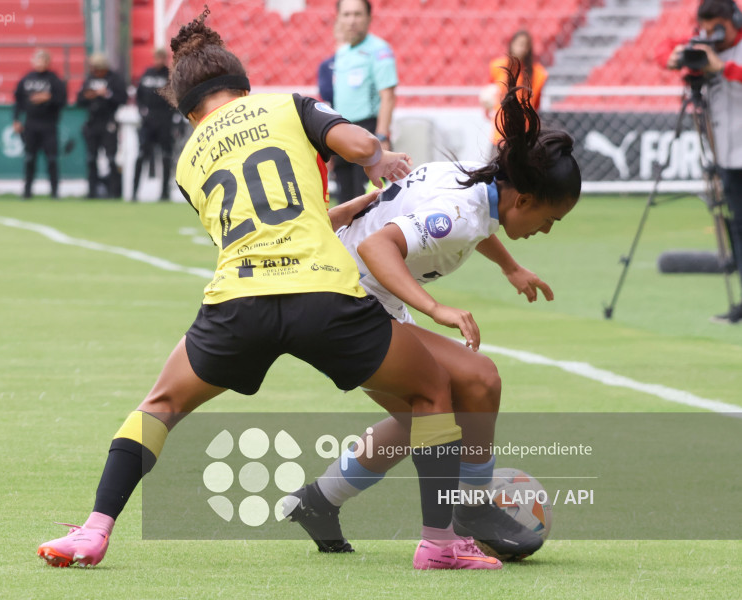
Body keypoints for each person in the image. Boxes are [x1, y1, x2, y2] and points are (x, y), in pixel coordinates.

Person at [36, 8, 502, 572]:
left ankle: (93, 531)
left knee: (160, 405)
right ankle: (440, 544)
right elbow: (354, 145)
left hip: (239, 303)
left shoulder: (189, 159)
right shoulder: (288, 104)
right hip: (325, 298)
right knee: (431, 393)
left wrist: (336, 211)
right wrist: (380, 157)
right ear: (241, 84)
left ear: (188, 108)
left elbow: (256, 222)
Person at [285, 62, 581, 560]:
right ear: (524, 197)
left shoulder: (471, 185)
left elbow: (463, 222)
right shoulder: (463, 216)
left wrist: (510, 267)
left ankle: (318, 501)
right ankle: (467, 511)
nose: (547, 230)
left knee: (421, 419)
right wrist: (435, 308)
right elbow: (382, 246)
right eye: (549, 219)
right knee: (479, 379)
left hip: (335, 293)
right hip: (349, 301)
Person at [656, 0, 742, 323]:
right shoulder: (704, 44)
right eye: (706, 28)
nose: (712, 34)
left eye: (718, 27)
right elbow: (663, 49)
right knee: (737, 224)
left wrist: (723, 68)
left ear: (734, 19)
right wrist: (675, 56)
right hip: (726, 153)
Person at [332, 0, 398, 203]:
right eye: (347, 14)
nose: (352, 20)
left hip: (367, 130)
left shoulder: (379, 50)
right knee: (345, 199)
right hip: (341, 131)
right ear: (339, 18)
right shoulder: (342, 52)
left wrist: (381, 135)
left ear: (369, 18)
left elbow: (388, 95)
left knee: (369, 200)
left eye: (358, 14)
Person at [480, 30, 549, 149]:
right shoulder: (498, 67)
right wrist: (487, 108)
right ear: (511, 44)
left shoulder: (538, 74)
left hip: (524, 131)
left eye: (524, 45)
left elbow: (536, 104)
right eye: (519, 44)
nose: (521, 48)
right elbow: (490, 90)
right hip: (501, 131)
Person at [13, 49, 67, 199]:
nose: (40, 63)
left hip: (49, 124)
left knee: (51, 159)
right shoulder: (26, 79)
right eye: (37, 60)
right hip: (31, 124)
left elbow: (62, 100)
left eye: (43, 60)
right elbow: (18, 101)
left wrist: (47, 99)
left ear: (48, 62)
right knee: (30, 158)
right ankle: (27, 191)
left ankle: (55, 191)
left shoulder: (54, 80)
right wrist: (16, 119)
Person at [76, 53, 127, 198]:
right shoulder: (90, 79)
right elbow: (80, 99)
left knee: (111, 158)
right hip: (92, 122)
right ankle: (92, 191)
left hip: (108, 121)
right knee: (91, 158)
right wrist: (89, 96)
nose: (94, 70)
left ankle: (115, 192)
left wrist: (107, 94)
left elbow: (122, 98)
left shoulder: (114, 79)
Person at [133, 48, 176, 201]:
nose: (158, 61)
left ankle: (165, 193)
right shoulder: (147, 74)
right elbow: (138, 96)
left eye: (161, 58)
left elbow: (176, 99)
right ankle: (134, 192)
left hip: (165, 121)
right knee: (141, 155)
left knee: (165, 156)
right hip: (148, 122)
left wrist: (173, 118)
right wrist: (141, 111)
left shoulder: (170, 76)